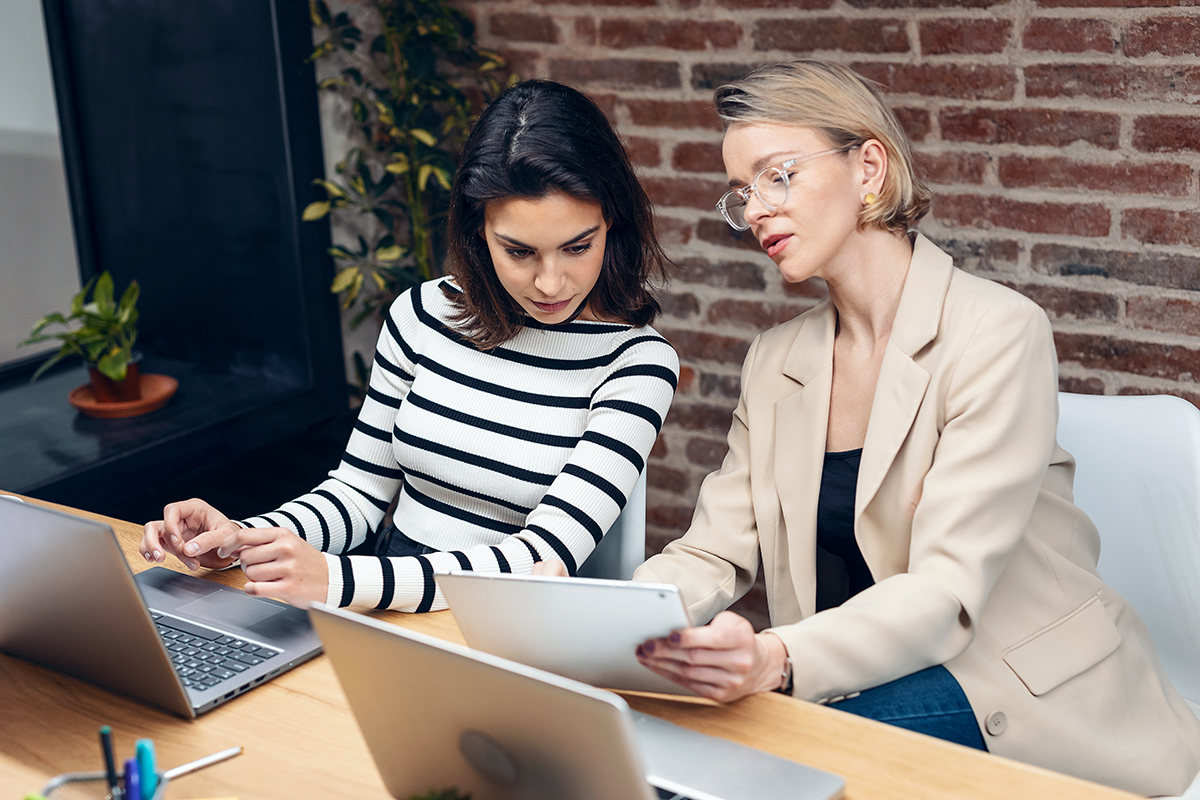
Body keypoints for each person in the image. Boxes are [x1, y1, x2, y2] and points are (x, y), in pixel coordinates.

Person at [626, 60, 1200, 796]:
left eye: (778, 175)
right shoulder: (777, 361)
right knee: (659, 738)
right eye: (742, 192)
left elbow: (941, 591)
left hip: (1014, 687)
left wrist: (775, 656)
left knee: (757, 771)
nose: (758, 209)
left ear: (869, 165)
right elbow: (713, 551)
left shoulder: (997, 332)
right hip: (861, 674)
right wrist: (615, 625)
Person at [139, 80, 678, 613]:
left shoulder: (638, 365)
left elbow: (539, 560)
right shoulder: (422, 315)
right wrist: (237, 539)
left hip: (516, 626)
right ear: (478, 233)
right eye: (519, 251)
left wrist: (337, 580)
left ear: (613, 224)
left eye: (577, 246)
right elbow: (356, 495)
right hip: (384, 597)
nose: (550, 283)